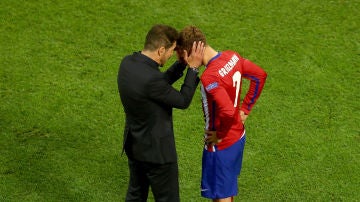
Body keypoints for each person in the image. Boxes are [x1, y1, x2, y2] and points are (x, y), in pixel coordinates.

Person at [176, 26, 267, 202]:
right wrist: (245, 110)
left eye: (183, 55)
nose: (184, 60)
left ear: (193, 50)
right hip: (239, 136)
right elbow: (259, 76)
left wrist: (220, 135)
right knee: (226, 191)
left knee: (221, 197)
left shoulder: (210, 76)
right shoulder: (232, 56)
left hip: (221, 145)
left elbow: (226, 110)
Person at [117, 24, 205, 202]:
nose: (172, 54)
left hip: (135, 145)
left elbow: (157, 87)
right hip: (158, 155)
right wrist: (193, 69)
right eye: (171, 51)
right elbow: (182, 100)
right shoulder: (152, 80)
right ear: (161, 50)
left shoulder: (127, 63)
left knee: (135, 195)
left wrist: (180, 64)